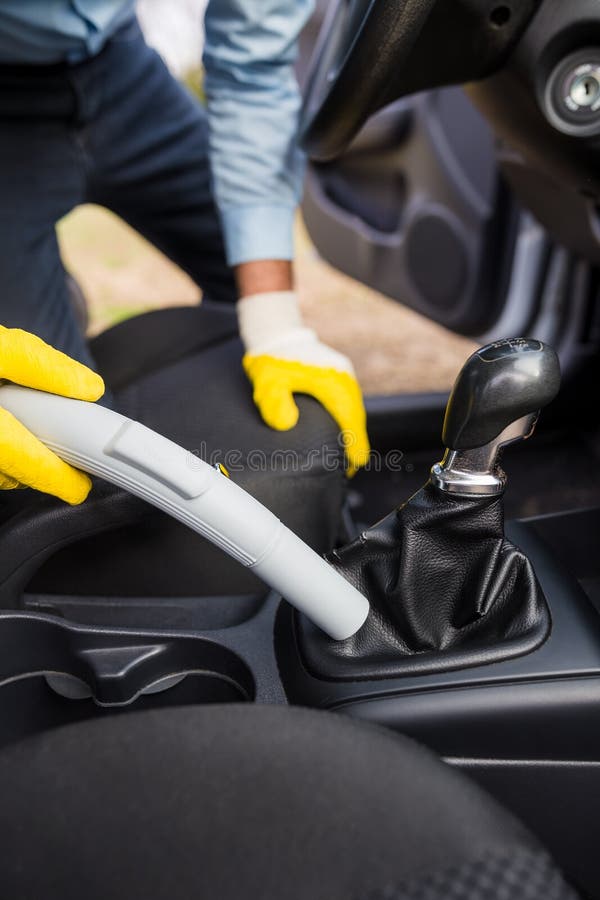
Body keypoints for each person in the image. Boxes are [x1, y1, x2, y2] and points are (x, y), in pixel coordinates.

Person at [0, 1, 369, 503]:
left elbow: (253, 70)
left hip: (119, 60)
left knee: (247, 272)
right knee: (45, 432)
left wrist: (276, 325)